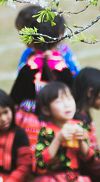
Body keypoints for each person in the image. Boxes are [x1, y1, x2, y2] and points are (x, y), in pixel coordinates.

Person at [10, 8, 75, 148]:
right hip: (59, 126)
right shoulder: (63, 69)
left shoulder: (28, 68)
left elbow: (14, 98)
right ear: (60, 35)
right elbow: (73, 94)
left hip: (29, 127)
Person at [32, 82, 100, 182]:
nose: (66, 105)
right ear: (46, 110)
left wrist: (81, 142)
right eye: (59, 101)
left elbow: (92, 158)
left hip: (76, 181)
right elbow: (41, 161)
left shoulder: (80, 127)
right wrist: (58, 140)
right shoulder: (46, 132)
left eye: (69, 99)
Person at [16, 4, 80, 76]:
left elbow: (20, 83)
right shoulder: (65, 52)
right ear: (60, 35)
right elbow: (76, 80)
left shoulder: (28, 55)